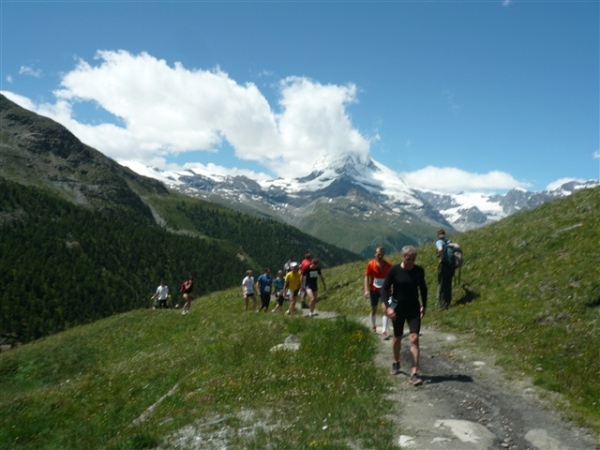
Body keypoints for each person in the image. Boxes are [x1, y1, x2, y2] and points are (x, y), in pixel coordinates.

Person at [380, 245, 427, 386]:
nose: (411, 262)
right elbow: (384, 289)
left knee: (414, 338)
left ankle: (414, 373)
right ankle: (396, 362)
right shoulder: (394, 270)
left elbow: (423, 288)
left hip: (413, 307)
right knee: (397, 337)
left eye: (413, 259)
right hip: (397, 306)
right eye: (408, 259)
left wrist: (424, 305)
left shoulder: (419, 271)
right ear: (402, 257)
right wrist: (388, 306)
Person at [364, 246, 392, 337]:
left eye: (381, 254)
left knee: (385, 309)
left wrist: (391, 289)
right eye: (378, 254)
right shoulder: (370, 264)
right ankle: (373, 325)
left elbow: (391, 278)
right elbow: (366, 277)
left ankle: (384, 330)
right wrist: (366, 290)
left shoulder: (388, 265)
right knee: (374, 309)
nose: (379, 256)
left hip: (384, 290)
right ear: (375, 254)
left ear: (384, 254)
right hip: (374, 290)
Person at [436, 228, 455, 310]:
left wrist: (441, 258)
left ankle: (443, 305)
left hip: (444, 265)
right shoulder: (449, 242)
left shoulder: (439, 242)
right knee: (448, 284)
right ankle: (448, 302)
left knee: (442, 284)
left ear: (438, 235)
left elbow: (440, 249)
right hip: (451, 266)